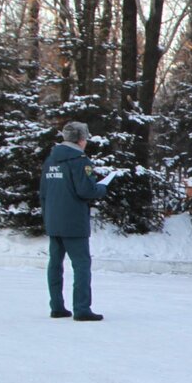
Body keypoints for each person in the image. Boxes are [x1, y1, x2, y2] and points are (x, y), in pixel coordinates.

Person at [39, 121, 110, 321]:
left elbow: (43, 193)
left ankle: (57, 306)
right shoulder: (80, 161)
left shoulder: (50, 160)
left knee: (55, 263)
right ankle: (81, 308)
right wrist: (102, 188)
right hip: (74, 222)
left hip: (54, 220)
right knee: (81, 265)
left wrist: (48, 217)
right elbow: (85, 190)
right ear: (81, 139)